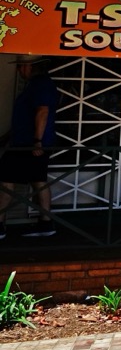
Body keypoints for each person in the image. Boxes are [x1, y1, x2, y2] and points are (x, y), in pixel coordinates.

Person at [0, 55, 60, 239]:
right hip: (26, 142)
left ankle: (0, 224)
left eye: (20, 67)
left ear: (29, 67)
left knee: (6, 180)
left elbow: (42, 111)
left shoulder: (41, 85)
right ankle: (45, 223)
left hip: (29, 144)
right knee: (37, 180)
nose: (19, 70)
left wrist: (37, 140)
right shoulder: (38, 85)